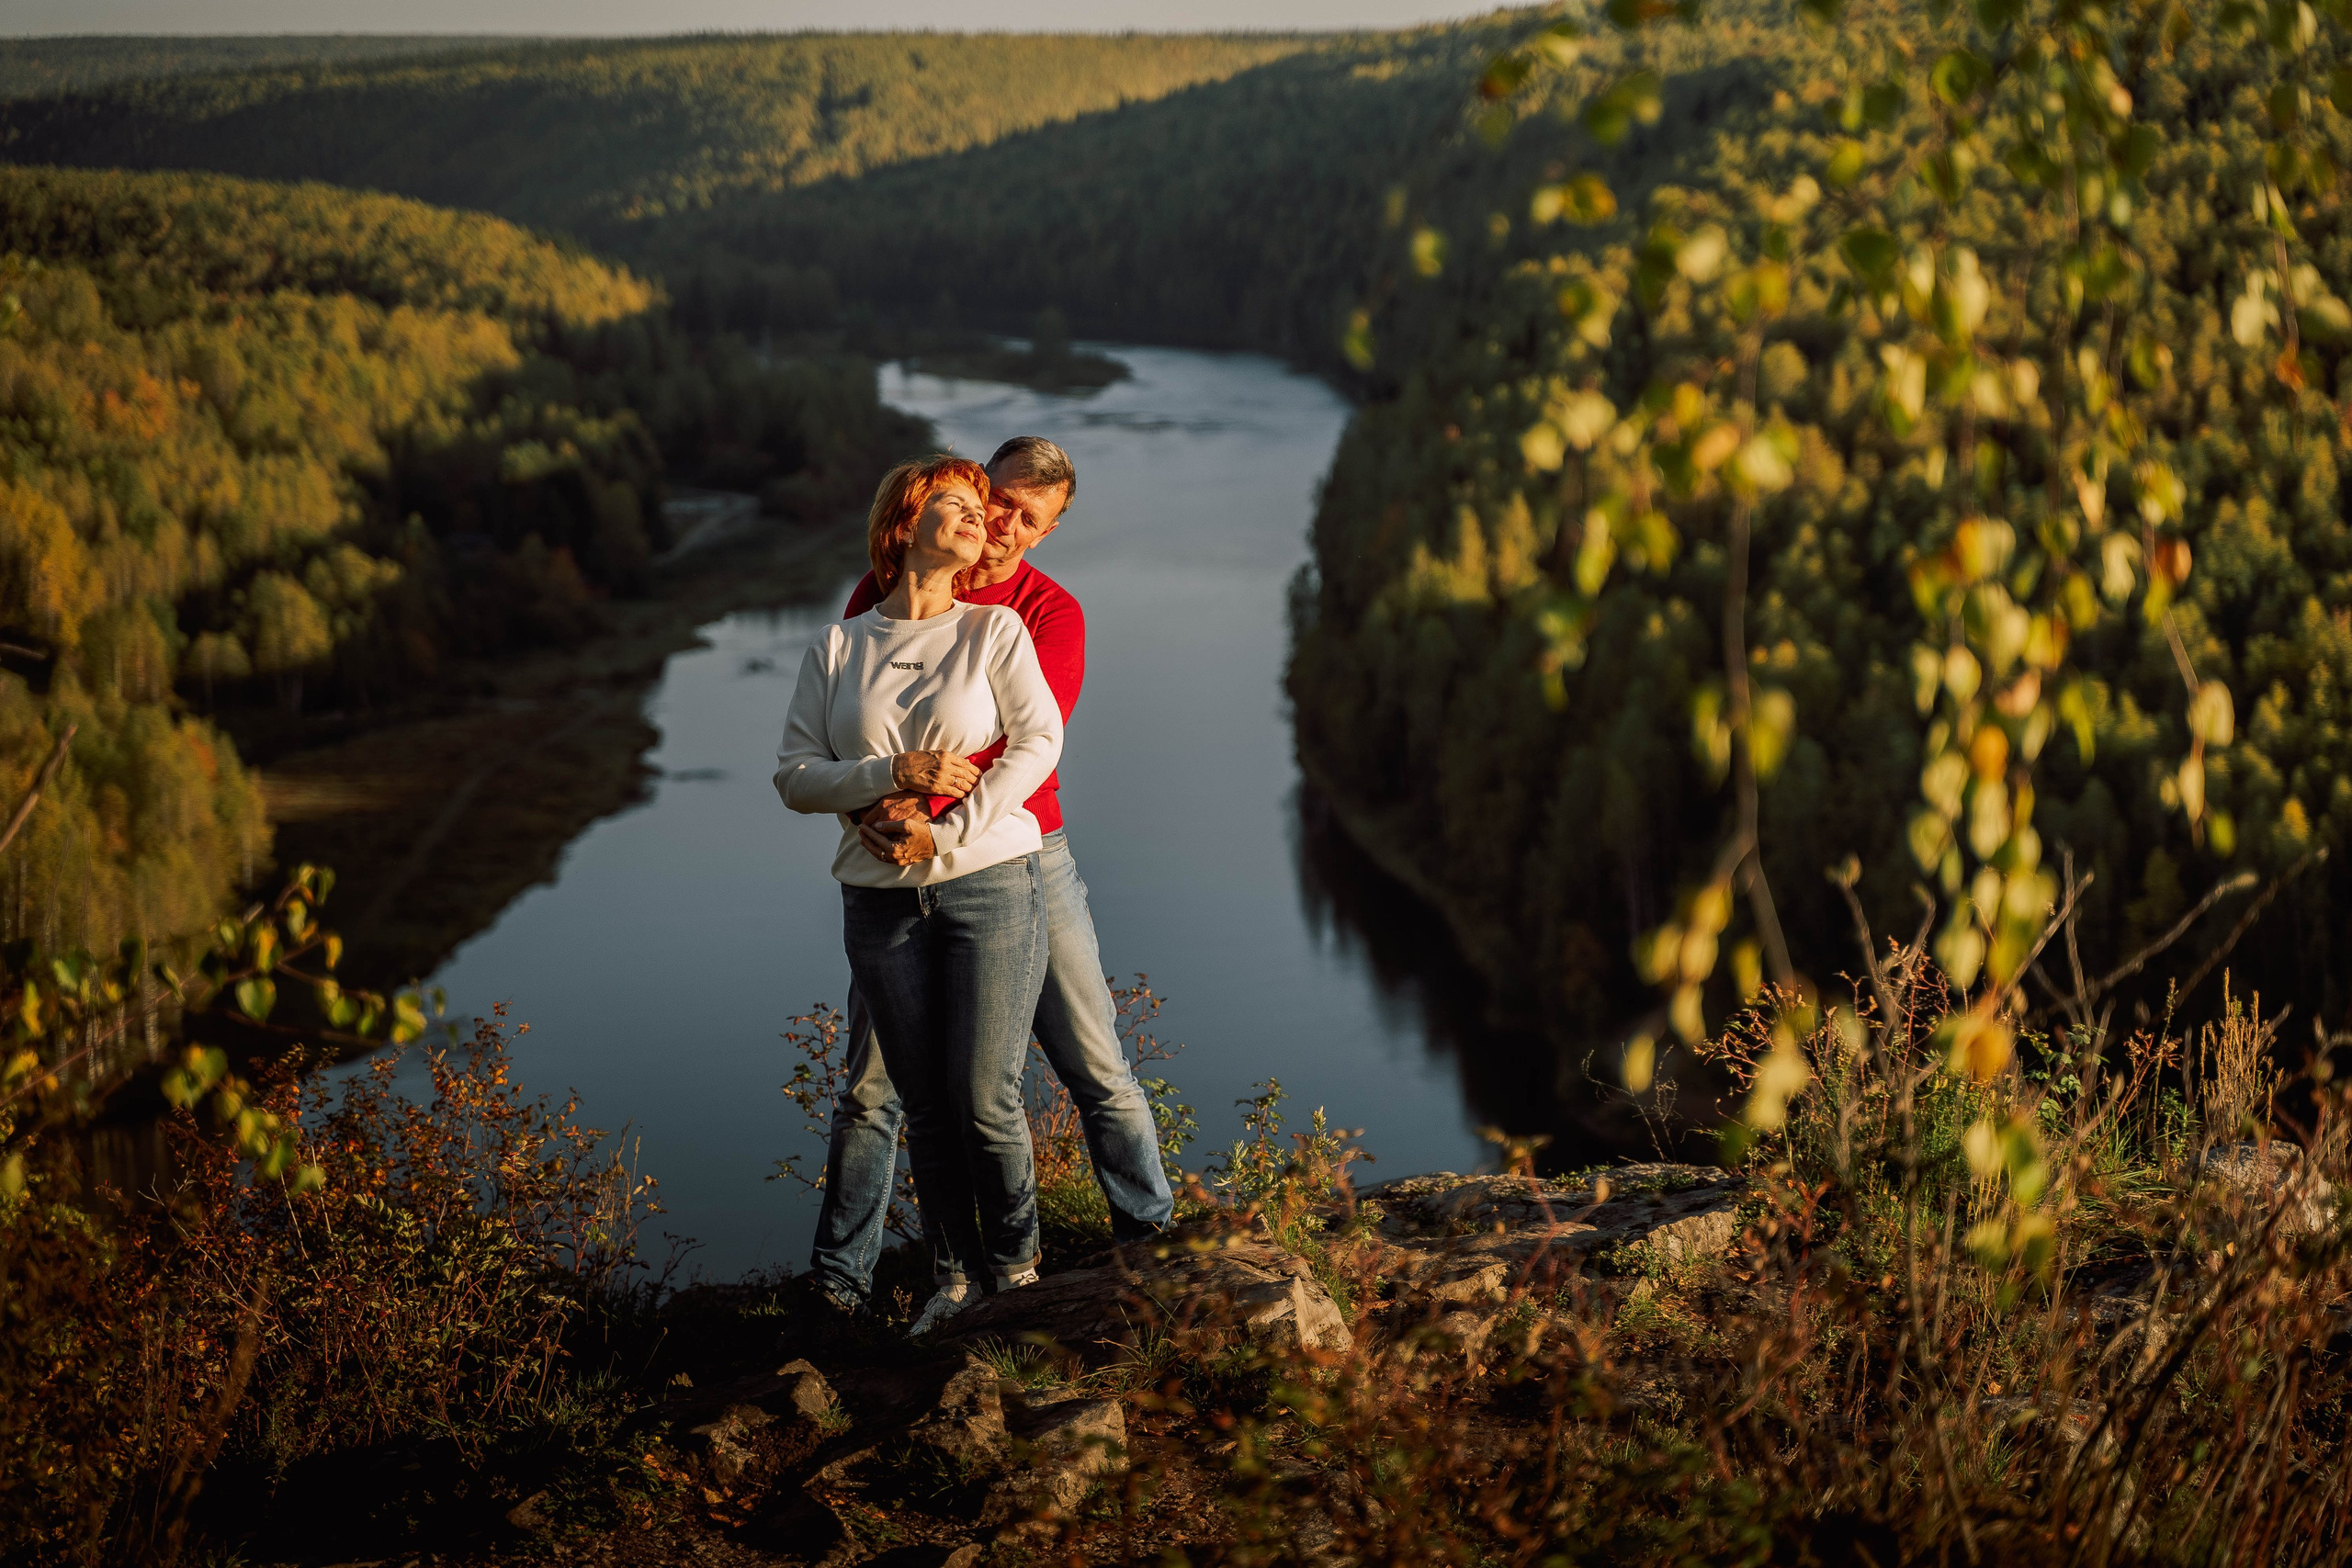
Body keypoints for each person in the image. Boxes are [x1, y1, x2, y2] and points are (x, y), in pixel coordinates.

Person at [804, 435, 1176, 1322]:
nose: (1004, 525)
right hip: (895, 858)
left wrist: (930, 821)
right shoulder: (887, 588)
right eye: (997, 500)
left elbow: (1023, 745)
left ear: (1045, 533)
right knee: (873, 1086)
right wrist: (876, 815)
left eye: (1027, 518)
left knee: (1094, 1064)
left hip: (1022, 856)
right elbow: (845, 738)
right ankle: (839, 1281)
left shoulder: (1047, 613)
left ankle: (1152, 1242)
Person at [775, 454, 1064, 1335]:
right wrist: (884, 776)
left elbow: (1037, 742)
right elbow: (794, 775)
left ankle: (1017, 1269)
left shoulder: (994, 633)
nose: (980, 517)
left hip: (989, 884)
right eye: (957, 503)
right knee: (925, 1104)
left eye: (983, 507)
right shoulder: (837, 645)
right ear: (905, 526)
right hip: (879, 903)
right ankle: (954, 1278)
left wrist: (946, 829)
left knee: (985, 1098)